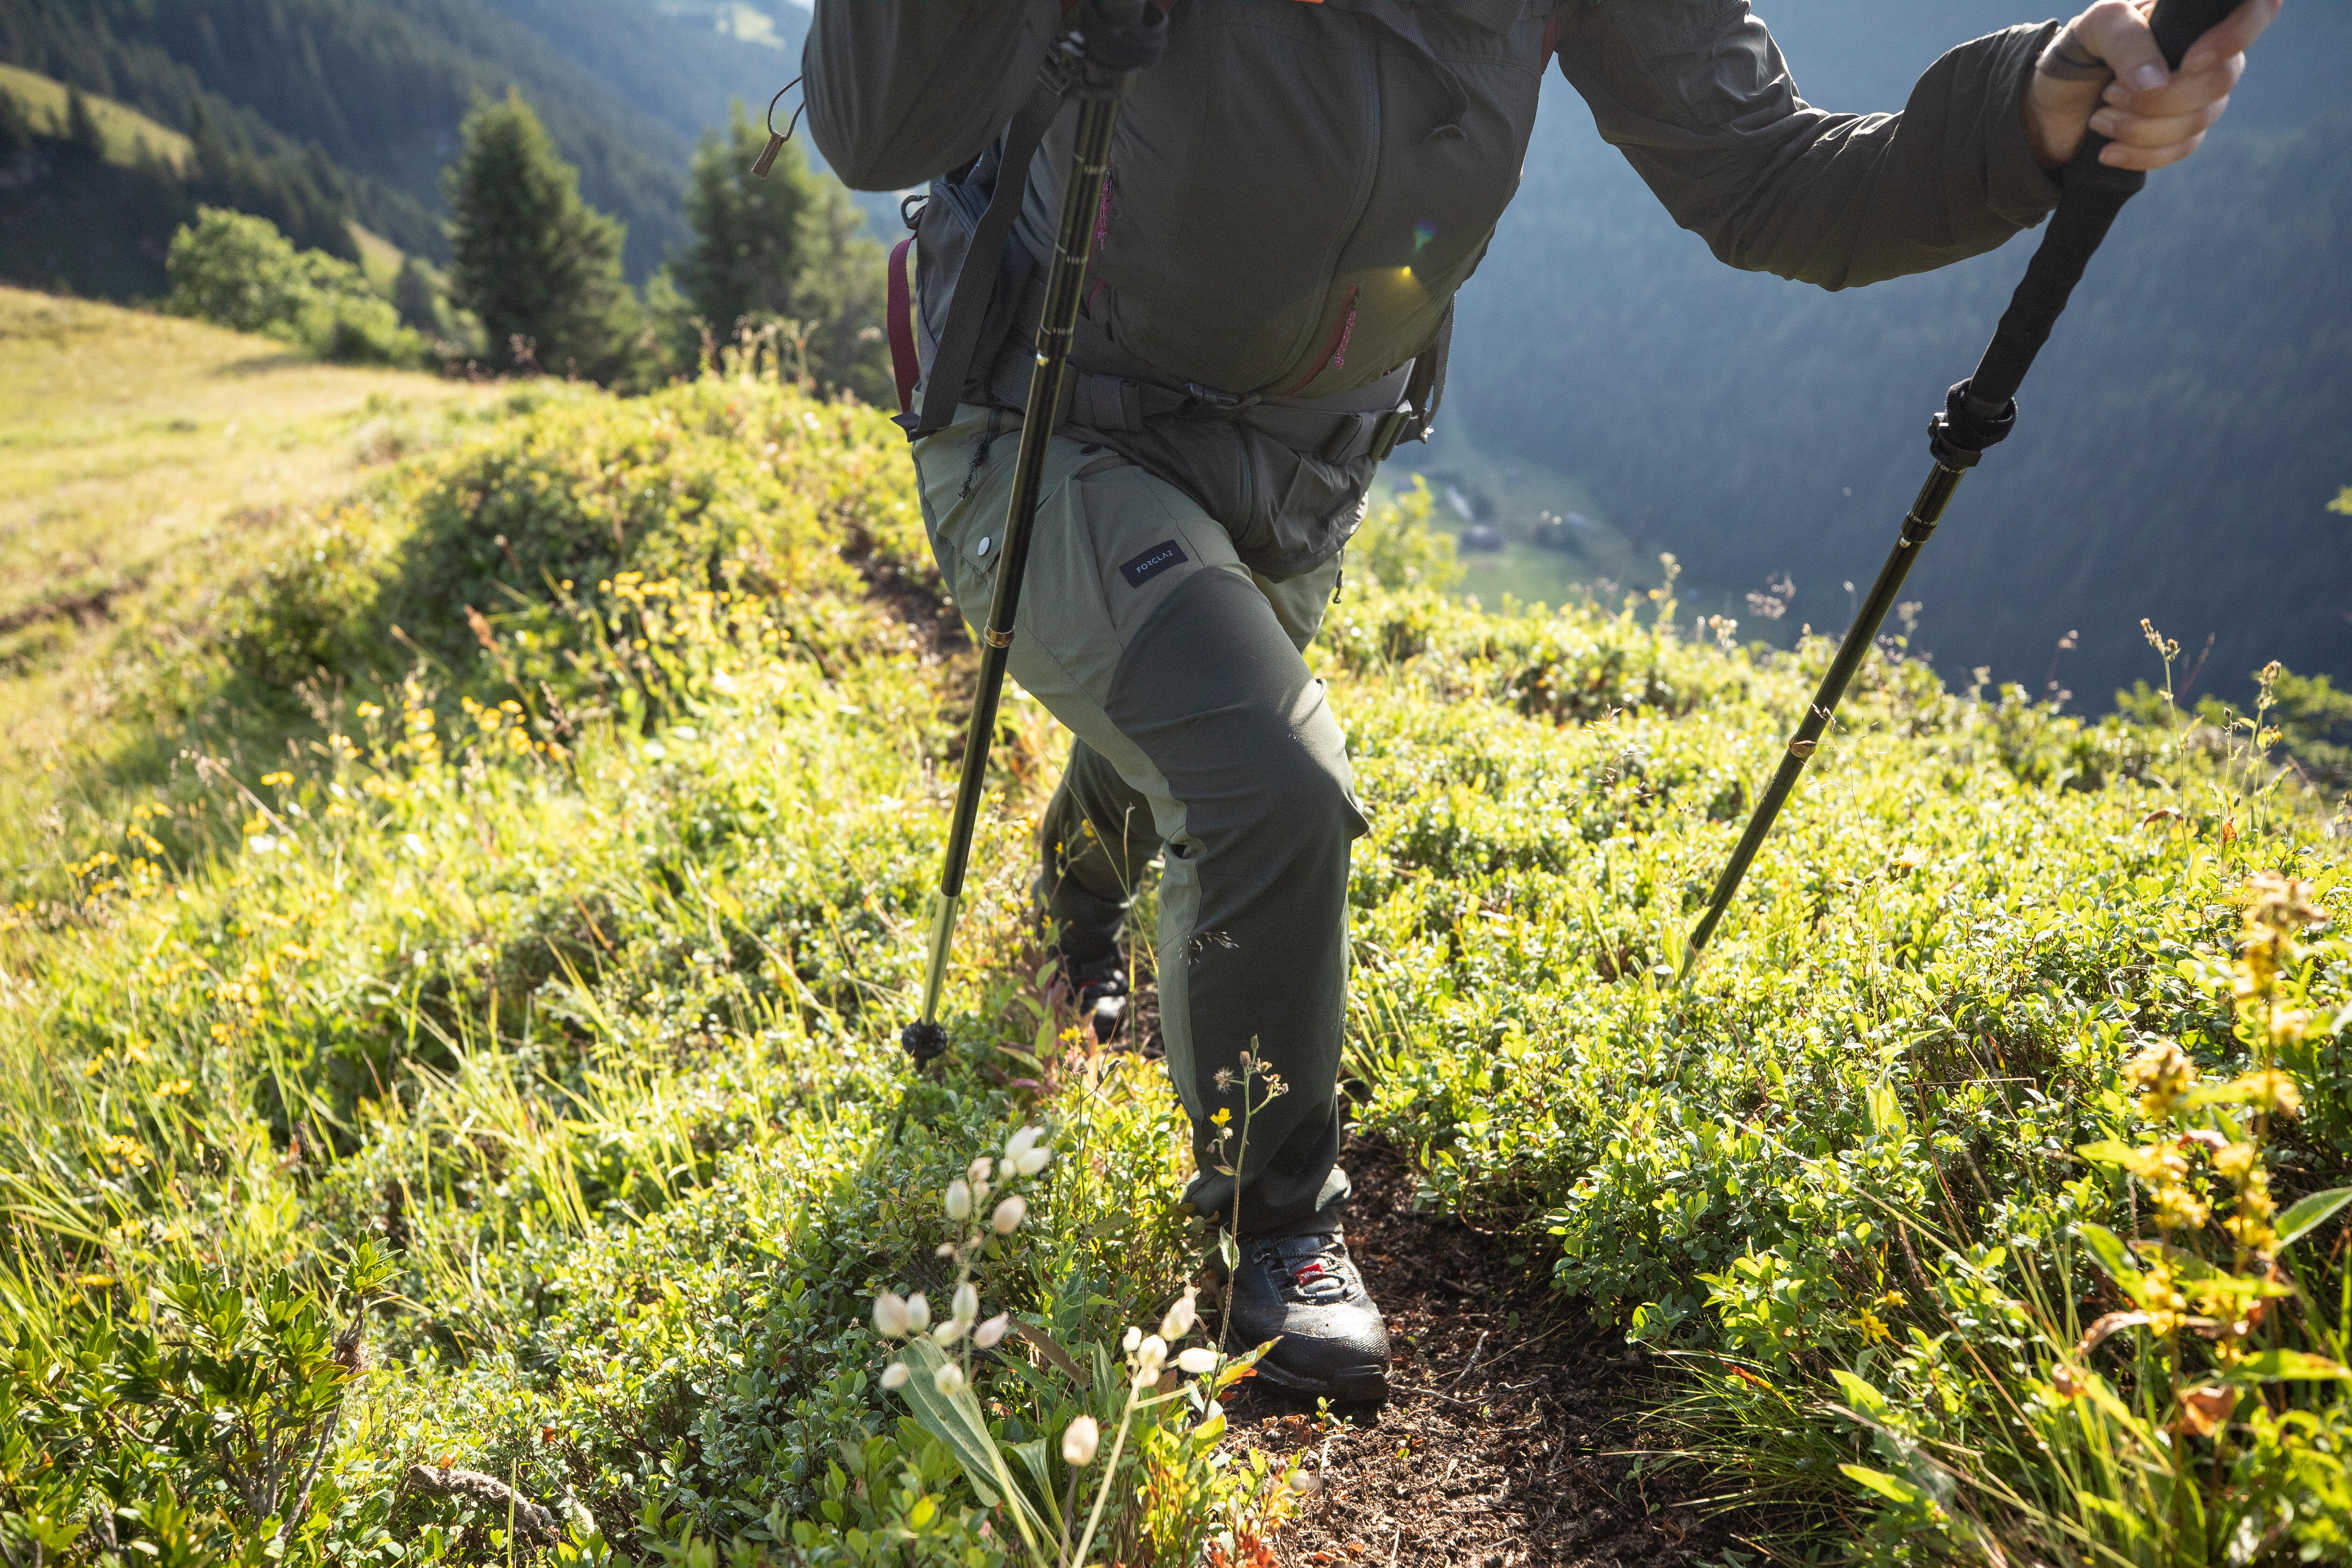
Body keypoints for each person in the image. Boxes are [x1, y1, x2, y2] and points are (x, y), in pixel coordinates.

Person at [803, 0, 2277, 1402]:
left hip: (1301, 464)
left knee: (1186, 723)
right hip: (1046, 418)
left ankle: (1075, 898)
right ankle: (1277, 1232)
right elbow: (874, 132)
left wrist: (2024, 111)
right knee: (1268, 777)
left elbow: (1772, 178)